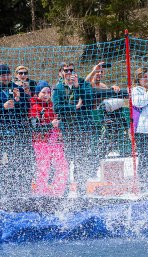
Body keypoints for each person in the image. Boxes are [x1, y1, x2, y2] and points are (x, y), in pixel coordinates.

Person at [0, 64, 33, 198]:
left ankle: (11, 192)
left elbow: (26, 110)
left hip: (14, 134)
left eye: (7, 75)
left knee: (14, 164)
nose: (6, 78)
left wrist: (18, 100)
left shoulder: (17, 89)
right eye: (2, 75)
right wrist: (2, 107)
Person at [52, 62, 96, 196]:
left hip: (82, 129)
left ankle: (81, 191)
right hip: (67, 129)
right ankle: (65, 191)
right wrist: (73, 108)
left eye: (71, 70)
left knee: (81, 161)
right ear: (61, 72)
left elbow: (89, 101)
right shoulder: (58, 88)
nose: (69, 73)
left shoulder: (83, 84)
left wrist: (77, 87)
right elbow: (57, 108)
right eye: (66, 70)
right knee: (67, 161)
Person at [29, 81, 69, 197]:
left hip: (55, 141)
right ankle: (42, 193)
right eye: (43, 92)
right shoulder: (34, 107)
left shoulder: (53, 106)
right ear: (37, 94)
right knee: (43, 169)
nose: (46, 95)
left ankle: (57, 192)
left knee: (62, 166)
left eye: (48, 92)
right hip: (40, 142)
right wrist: (51, 125)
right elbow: (35, 128)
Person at [85, 61, 130, 159]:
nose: (99, 74)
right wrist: (94, 71)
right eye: (98, 72)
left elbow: (110, 100)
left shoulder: (103, 86)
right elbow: (84, 83)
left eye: (102, 72)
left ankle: (125, 130)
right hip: (91, 115)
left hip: (104, 116)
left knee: (119, 103)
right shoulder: (88, 85)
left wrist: (113, 88)